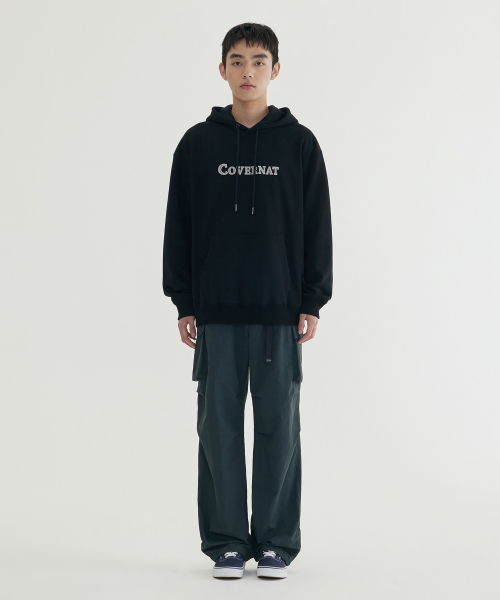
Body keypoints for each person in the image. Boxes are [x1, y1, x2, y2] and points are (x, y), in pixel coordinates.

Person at [162, 22, 333, 579]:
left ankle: (276, 543)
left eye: (259, 61)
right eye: (237, 61)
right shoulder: (197, 143)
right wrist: (184, 301)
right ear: (222, 70)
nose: (248, 71)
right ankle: (228, 543)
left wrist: (312, 299)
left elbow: (317, 225)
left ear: (275, 70)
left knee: (279, 429)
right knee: (218, 431)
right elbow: (179, 225)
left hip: (279, 312)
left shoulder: (299, 144)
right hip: (216, 312)